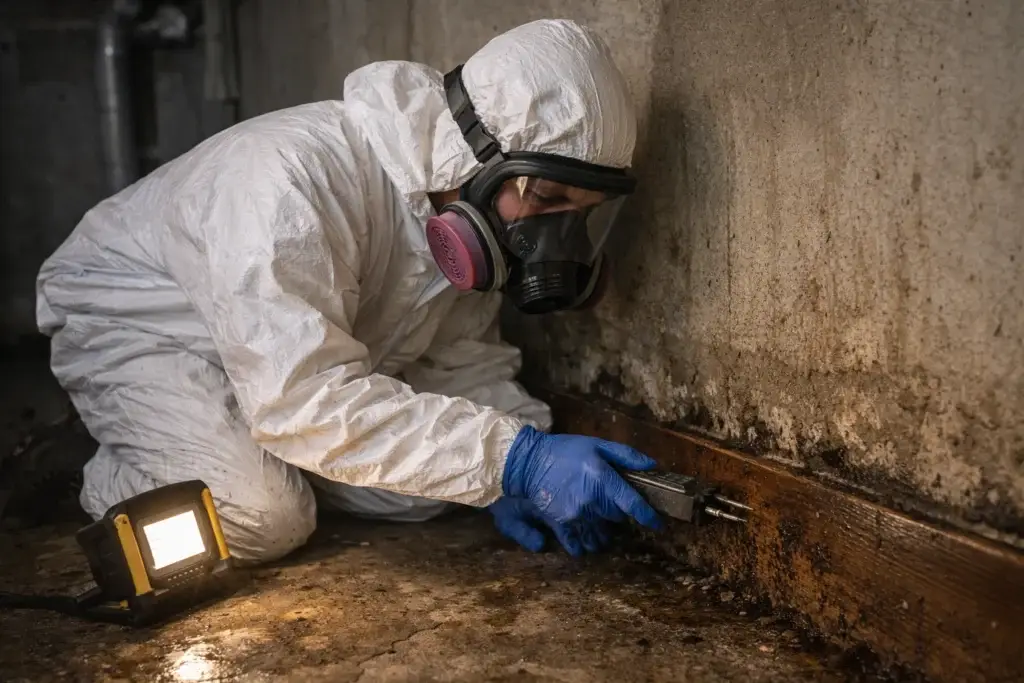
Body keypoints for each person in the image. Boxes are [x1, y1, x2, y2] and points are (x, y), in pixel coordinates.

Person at [35, 19, 662, 563]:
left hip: (275, 360)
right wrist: (512, 459)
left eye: (579, 214)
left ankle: (230, 445)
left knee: (421, 492)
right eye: (546, 200)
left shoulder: (451, 206)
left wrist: (523, 454)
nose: (553, 238)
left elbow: (456, 362)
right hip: (138, 325)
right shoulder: (291, 181)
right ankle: (106, 462)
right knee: (266, 515)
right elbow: (300, 400)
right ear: (472, 153)